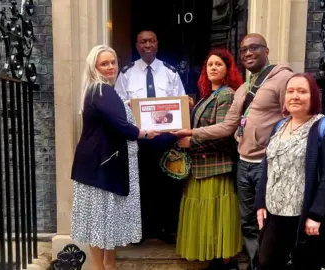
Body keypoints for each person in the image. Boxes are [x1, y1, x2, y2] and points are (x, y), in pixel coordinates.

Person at [174, 33, 294, 269]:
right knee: (248, 223)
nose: (248, 53)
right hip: (244, 162)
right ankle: (254, 264)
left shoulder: (283, 78)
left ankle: (272, 264)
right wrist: (191, 133)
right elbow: (228, 127)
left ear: (267, 50)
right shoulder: (242, 90)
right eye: (244, 49)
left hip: (267, 163)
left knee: (267, 221)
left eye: (254, 48)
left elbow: (293, 115)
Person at [70, 45, 161, 270]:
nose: (111, 67)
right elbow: (121, 125)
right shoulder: (103, 90)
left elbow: (111, 115)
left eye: (113, 62)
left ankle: (106, 267)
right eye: (104, 63)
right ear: (94, 67)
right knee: (102, 222)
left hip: (98, 166)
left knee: (99, 223)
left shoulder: (97, 90)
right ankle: (105, 268)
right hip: (103, 167)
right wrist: (143, 133)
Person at [255, 73, 325, 270]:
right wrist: (261, 202)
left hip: (304, 216)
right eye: (290, 91)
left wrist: (316, 215)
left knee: (304, 265)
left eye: (302, 91)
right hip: (275, 213)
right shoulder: (279, 126)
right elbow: (268, 166)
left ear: (313, 96)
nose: (295, 96)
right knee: (266, 262)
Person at [114, 30, 186, 244]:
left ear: (157, 44)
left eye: (151, 41)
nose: (147, 45)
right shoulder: (126, 74)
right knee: (140, 185)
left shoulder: (170, 72)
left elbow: (180, 103)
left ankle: (166, 228)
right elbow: (119, 105)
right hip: (138, 140)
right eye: (143, 41)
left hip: (165, 141)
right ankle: (141, 231)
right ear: (136, 46)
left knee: (166, 185)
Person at [176, 48, 243, 270]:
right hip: (201, 166)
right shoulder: (208, 96)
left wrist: (191, 142)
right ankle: (215, 261)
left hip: (216, 167)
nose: (213, 68)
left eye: (219, 64)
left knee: (215, 219)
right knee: (208, 218)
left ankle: (224, 263)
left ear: (227, 69)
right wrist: (190, 109)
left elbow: (224, 135)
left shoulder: (226, 94)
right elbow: (204, 126)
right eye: (210, 65)